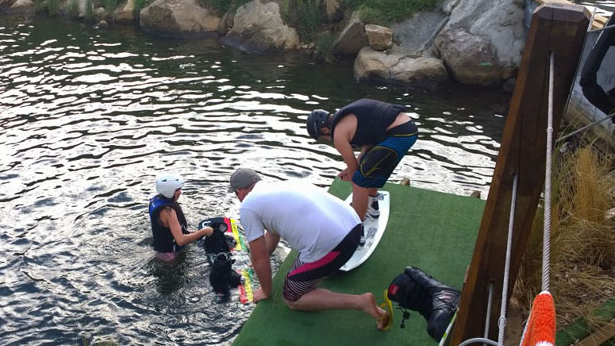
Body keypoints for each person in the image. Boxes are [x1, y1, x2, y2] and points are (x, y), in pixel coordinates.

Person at [229, 167, 390, 329]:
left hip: (336, 246)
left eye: (236, 195)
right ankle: (315, 278)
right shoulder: (279, 187)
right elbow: (272, 234)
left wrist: (265, 291)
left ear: (240, 191)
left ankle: (361, 302)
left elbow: (260, 258)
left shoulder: (248, 206)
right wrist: (257, 262)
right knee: (305, 274)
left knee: (292, 297)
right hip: (355, 226)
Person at [306, 98, 418, 222]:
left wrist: (352, 173)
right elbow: (368, 145)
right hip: (406, 128)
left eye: (323, 137)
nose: (327, 140)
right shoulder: (345, 116)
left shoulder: (338, 135)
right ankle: (372, 207)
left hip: (399, 135)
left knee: (359, 179)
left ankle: (356, 224)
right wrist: (350, 168)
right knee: (368, 167)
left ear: (324, 130)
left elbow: (355, 172)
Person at [149, 174, 213, 262]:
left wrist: (197, 233)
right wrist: (203, 232)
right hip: (170, 257)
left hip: (160, 251)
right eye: (177, 190)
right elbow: (181, 240)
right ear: (169, 191)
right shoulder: (169, 212)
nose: (180, 192)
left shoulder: (155, 200)